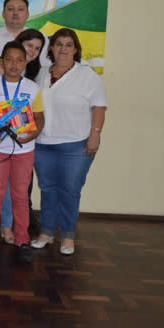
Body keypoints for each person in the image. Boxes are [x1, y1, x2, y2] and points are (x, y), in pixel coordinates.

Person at [31, 28, 107, 255]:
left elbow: (99, 107)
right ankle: (46, 232)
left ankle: (67, 236)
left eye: (68, 44)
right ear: (51, 48)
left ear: (76, 49)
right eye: (58, 44)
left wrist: (95, 135)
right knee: (47, 189)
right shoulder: (42, 73)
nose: (63, 48)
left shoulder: (87, 75)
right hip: (43, 144)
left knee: (70, 190)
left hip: (76, 144)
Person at [0, 41, 45, 263]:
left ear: (25, 62)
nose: (14, 64)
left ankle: (22, 238)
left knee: (20, 195)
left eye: (19, 60)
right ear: (2, 63)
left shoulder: (33, 88)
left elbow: (39, 117)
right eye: (9, 60)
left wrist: (34, 133)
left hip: (24, 149)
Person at [0, 0, 49, 80]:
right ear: (3, 14)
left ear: (28, 14)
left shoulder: (40, 37)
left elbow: (45, 69)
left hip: (30, 89)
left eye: (20, 9)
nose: (15, 13)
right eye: (10, 9)